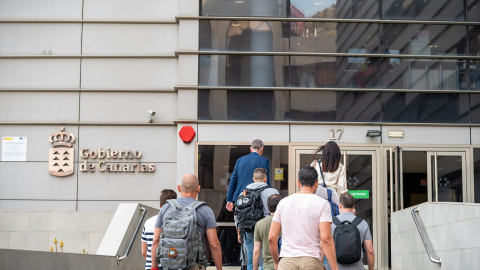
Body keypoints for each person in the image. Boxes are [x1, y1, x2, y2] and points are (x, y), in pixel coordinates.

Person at [268, 166, 338, 270]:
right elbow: (326, 239)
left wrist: (277, 262)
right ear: (316, 184)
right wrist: (335, 267)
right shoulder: (323, 204)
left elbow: (272, 238)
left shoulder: (283, 203)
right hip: (311, 261)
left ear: (298, 183)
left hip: (286, 261)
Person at [150, 174, 223, 270]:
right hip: (194, 266)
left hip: (169, 265)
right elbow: (214, 245)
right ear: (198, 189)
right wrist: (219, 268)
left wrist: (154, 267)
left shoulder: (166, 207)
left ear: (179, 188)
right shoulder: (205, 210)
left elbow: (155, 240)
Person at [235, 168, 280, 270]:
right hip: (267, 227)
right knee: (267, 257)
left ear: (253, 179)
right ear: (265, 179)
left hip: (248, 228)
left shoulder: (243, 194)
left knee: (251, 258)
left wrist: (239, 231)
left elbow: (237, 213)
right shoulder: (272, 192)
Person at [326, 193, 374, 270]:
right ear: (353, 206)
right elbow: (370, 251)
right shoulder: (362, 223)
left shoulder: (330, 222)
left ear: (340, 205)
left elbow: (323, 245)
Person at [227, 139, 270, 212]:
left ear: (251, 148)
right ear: (262, 149)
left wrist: (229, 199)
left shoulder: (240, 160)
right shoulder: (264, 161)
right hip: (258, 198)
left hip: (241, 197)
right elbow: (266, 181)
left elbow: (233, 180)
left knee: (241, 220)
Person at [141, 189, 177, 270]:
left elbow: (144, 252)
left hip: (151, 267)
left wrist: (151, 263)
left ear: (160, 205)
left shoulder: (148, 222)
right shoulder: (177, 223)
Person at [253, 194, 283, 270]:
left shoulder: (259, 224)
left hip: (267, 266)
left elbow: (256, 251)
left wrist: (254, 268)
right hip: (284, 265)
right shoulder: (286, 222)